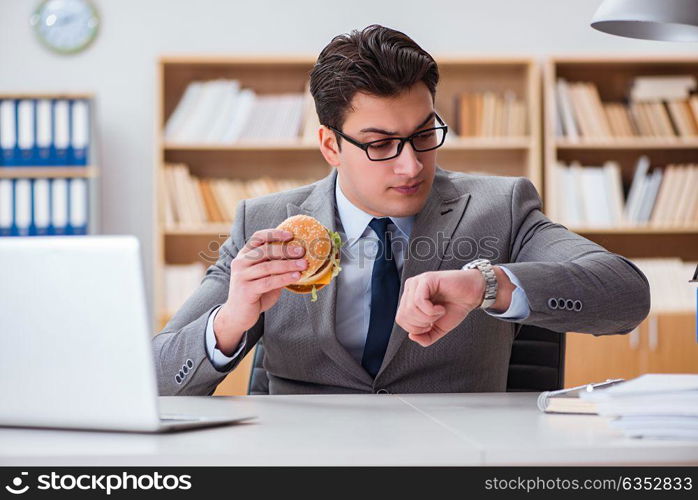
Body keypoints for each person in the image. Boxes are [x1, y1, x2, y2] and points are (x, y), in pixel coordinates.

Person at [153, 25, 650, 395]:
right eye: (381, 144)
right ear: (330, 144)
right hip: (307, 466)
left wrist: (487, 284)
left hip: (455, 462)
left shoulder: (503, 207)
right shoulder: (263, 223)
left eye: (423, 134)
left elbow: (627, 295)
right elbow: (154, 377)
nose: (411, 164)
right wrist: (229, 321)